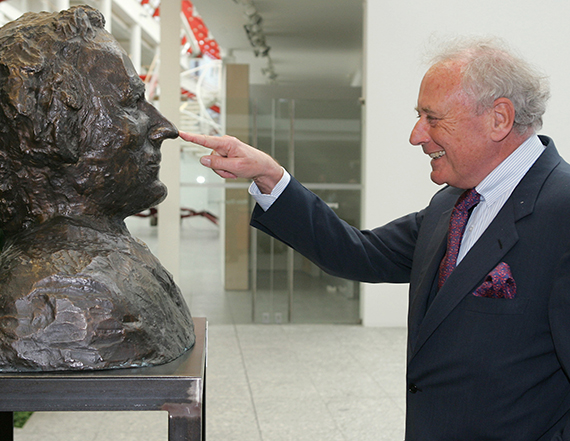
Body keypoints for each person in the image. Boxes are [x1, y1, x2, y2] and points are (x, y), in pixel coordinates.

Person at [180, 38, 570, 440]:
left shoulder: (563, 212)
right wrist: (271, 177)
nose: (416, 136)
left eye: (432, 119)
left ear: (499, 119)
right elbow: (358, 254)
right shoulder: (451, 205)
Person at [0, 6, 195, 372]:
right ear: (57, 133)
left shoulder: (115, 259)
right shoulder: (64, 293)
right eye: (131, 103)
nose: (163, 127)